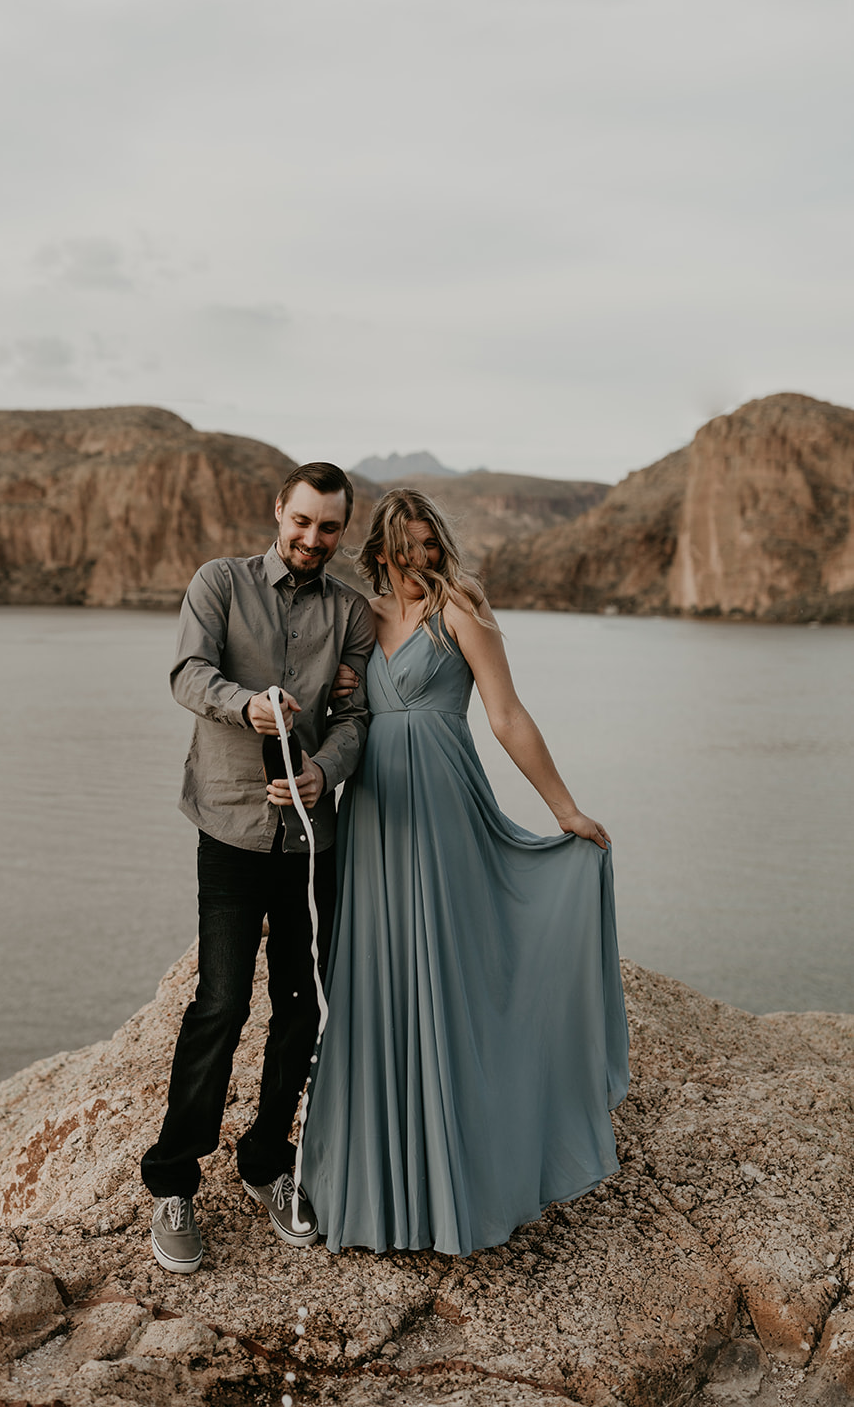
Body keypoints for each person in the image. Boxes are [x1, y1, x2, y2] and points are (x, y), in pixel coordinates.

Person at [301, 488, 629, 1257]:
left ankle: (461, 1182)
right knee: (375, 985)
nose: (423, 558)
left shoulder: (461, 609)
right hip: (373, 816)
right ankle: (374, 1188)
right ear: (380, 552)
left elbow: (507, 715)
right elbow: (329, 709)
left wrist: (564, 808)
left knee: (449, 979)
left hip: (444, 808)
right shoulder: (357, 617)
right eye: (407, 547)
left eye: (431, 544)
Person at [140, 461, 375, 1274]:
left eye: (329, 527)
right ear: (279, 511)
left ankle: (267, 1164)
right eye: (301, 521)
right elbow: (186, 674)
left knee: (302, 1008)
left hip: (314, 841)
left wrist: (325, 770)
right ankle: (173, 1182)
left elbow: (356, 716)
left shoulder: (350, 612)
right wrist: (248, 704)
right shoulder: (219, 582)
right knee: (220, 1002)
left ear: (343, 529)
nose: (312, 538)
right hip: (231, 831)